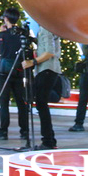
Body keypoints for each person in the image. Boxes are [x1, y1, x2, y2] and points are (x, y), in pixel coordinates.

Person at [0, 8, 30, 143]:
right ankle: (24, 131)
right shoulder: (22, 34)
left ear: (6, 19)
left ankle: (3, 132)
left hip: (4, 72)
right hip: (19, 71)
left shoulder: (3, 35)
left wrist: (2, 34)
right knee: (21, 102)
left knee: (4, 103)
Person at [25, 21, 61, 150]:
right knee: (41, 104)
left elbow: (49, 52)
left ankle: (48, 141)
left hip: (46, 69)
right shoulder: (50, 28)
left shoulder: (46, 28)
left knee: (41, 104)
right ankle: (49, 139)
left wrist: (33, 62)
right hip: (49, 69)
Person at [69, 43, 88, 132]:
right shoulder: (87, 38)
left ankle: (79, 123)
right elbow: (86, 51)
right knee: (82, 99)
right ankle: (78, 123)